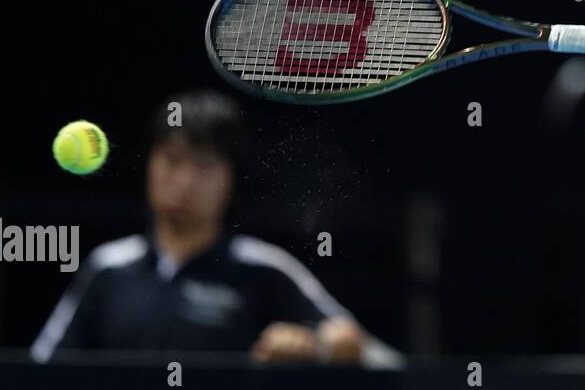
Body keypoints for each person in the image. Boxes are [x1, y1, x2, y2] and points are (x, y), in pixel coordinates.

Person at [32, 89, 392, 366]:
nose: (184, 180)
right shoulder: (107, 268)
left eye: (204, 165)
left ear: (230, 178)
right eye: (172, 160)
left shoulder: (264, 269)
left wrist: (316, 346)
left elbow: (360, 345)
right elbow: (42, 369)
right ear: (150, 164)